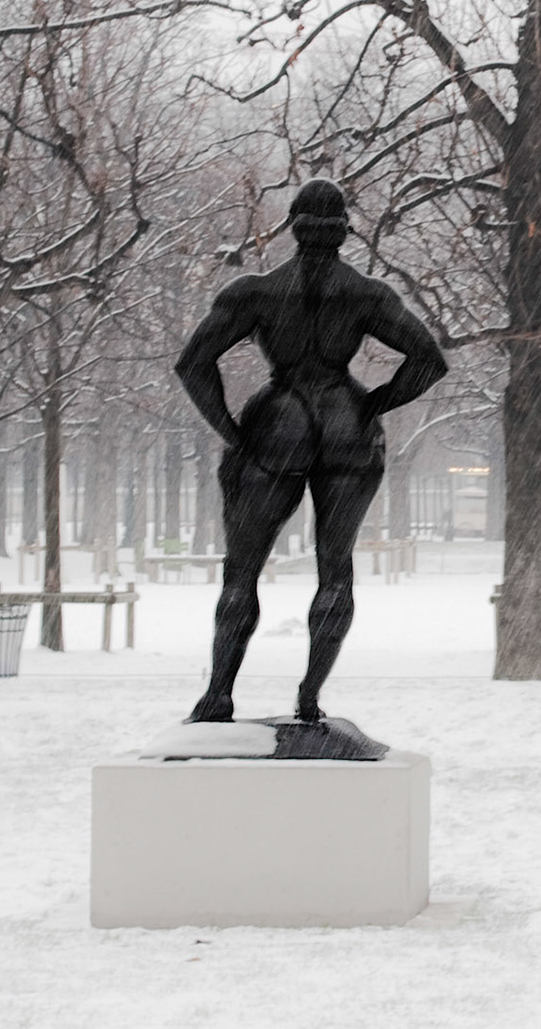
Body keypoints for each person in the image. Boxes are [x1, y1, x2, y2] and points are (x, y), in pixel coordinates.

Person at [174, 178, 447, 723]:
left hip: (278, 421)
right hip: (345, 420)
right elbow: (428, 359)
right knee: (336, 569)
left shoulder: (254, 293)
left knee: (243, 570)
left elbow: (194, 363)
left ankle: (218, 694)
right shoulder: (367, 294)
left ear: (292, 227)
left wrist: (230, 429)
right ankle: (309, 697)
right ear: (345, 229)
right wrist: (374, 403)